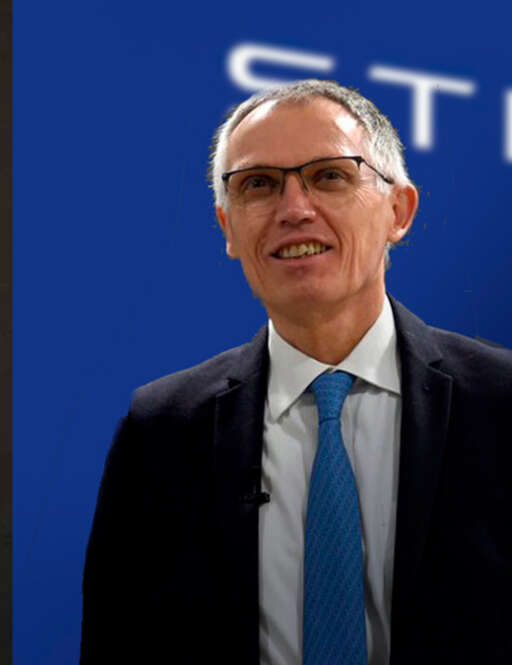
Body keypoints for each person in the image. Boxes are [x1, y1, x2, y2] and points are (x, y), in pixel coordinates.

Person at [81, 79, 512, 665]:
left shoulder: (502, 403)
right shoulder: (161, 430)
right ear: (228, 227)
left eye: (329, 175)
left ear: (399, 211)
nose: (294, 210)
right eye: (258, 184)